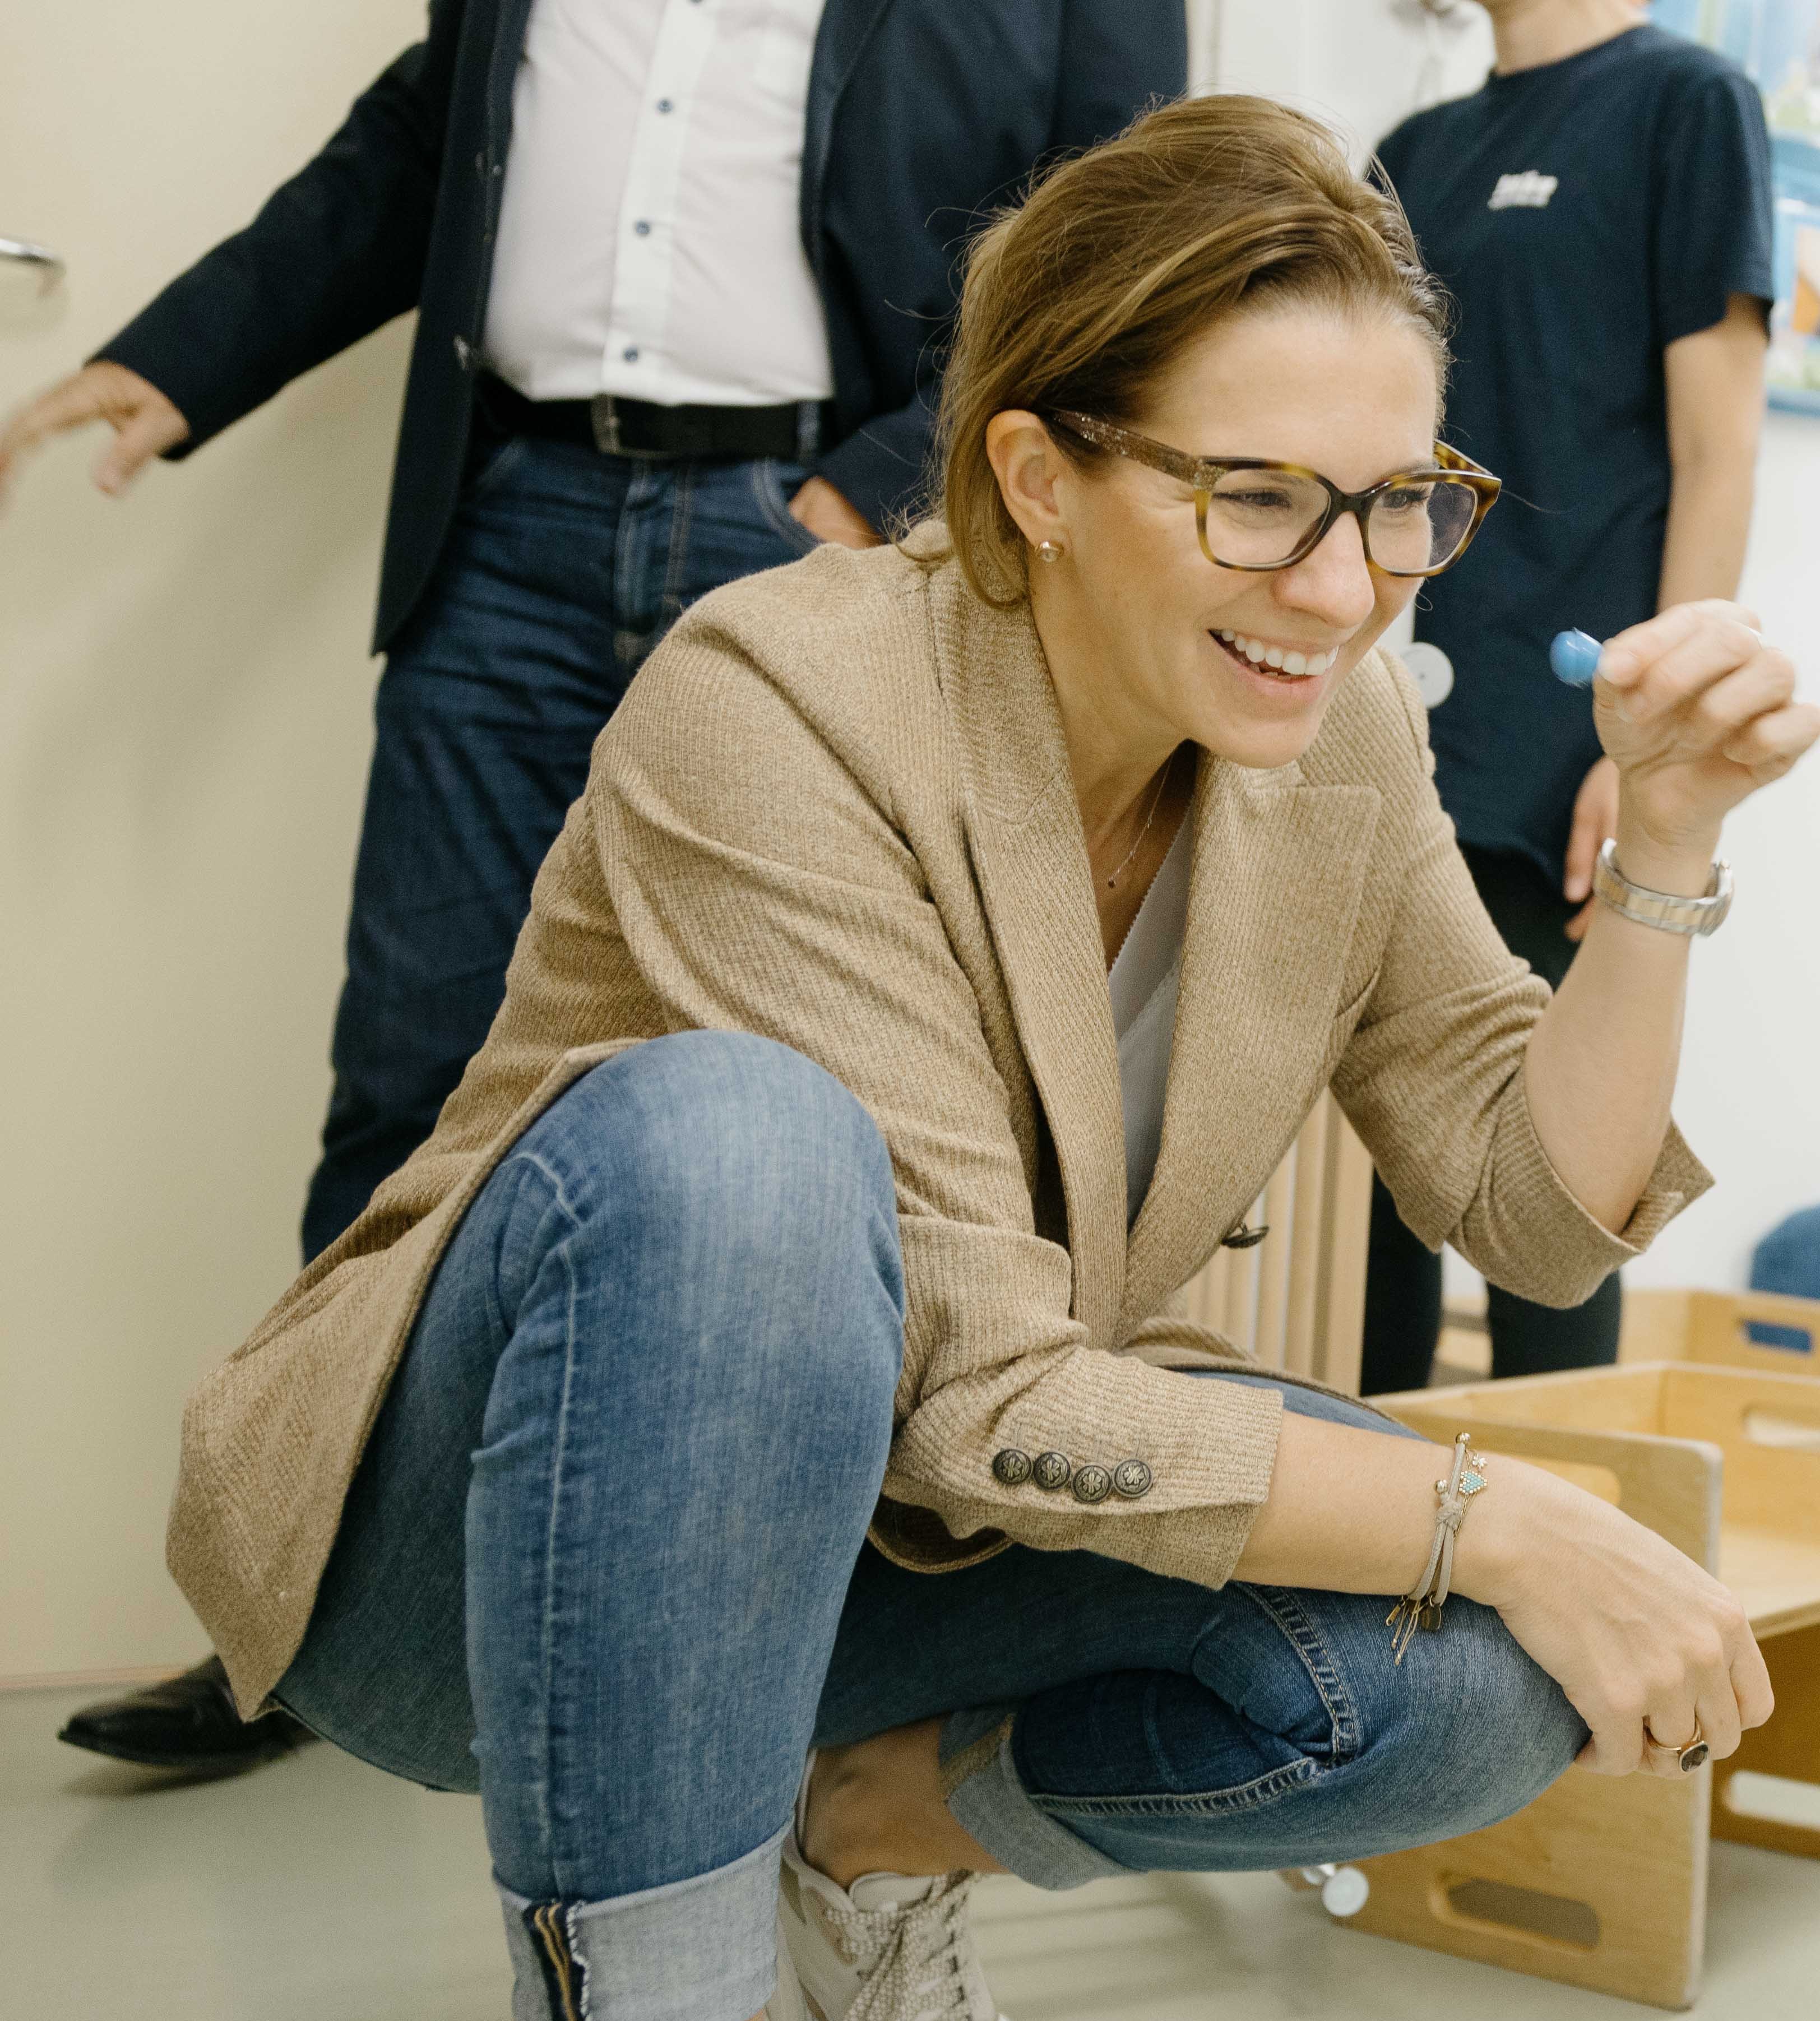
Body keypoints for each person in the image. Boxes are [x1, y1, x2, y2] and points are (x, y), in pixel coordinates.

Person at [167, 95, 1819, 2021]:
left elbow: (1533, 1210)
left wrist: (1658, 850)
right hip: (486, 1569)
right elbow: (966, 1376)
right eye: (1259, 500)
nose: (1343, 588)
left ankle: (866, 1837)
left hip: (912, 1550)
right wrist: (1509, 1506)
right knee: (740, 1153)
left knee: (1479, 1677)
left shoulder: (1344, 741)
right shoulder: (782, 689)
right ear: (1035, 472)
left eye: (1403, 503)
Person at [13, 0, 1183, 1781]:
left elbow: (1108, 236)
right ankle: (305, 1627)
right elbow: (423, 140)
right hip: (514, 522)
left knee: (841, 1115)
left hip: (814, 531)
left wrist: (866, 492)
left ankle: (788, 1644)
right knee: (409, 1079)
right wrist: (187, 355)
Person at [1360, 0, 1772, 1392]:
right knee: (1375, 1184)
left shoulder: (1685, 105)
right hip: (1391, 709)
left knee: (1546, 1179)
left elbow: (1718, 452)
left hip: (1566, 726)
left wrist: (1651, 729)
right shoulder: (1413, 149)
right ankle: (1359, 1588)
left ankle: (1549, 1590)